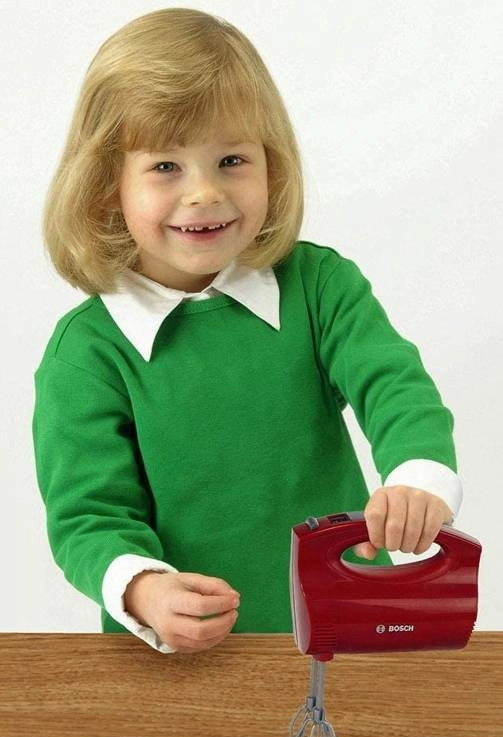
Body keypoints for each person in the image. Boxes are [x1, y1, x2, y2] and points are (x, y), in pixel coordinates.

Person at [33, 8, 461, 655]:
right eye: (166, 166)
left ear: (271, 167)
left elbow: (395, 388)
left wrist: (418, 479)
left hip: (343, 635)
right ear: (105, 186)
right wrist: (143, 589)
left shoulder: (319, 285)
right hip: (184, 661)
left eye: (231, 159)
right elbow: (87, 516)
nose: (204, 193)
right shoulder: (87, 352)